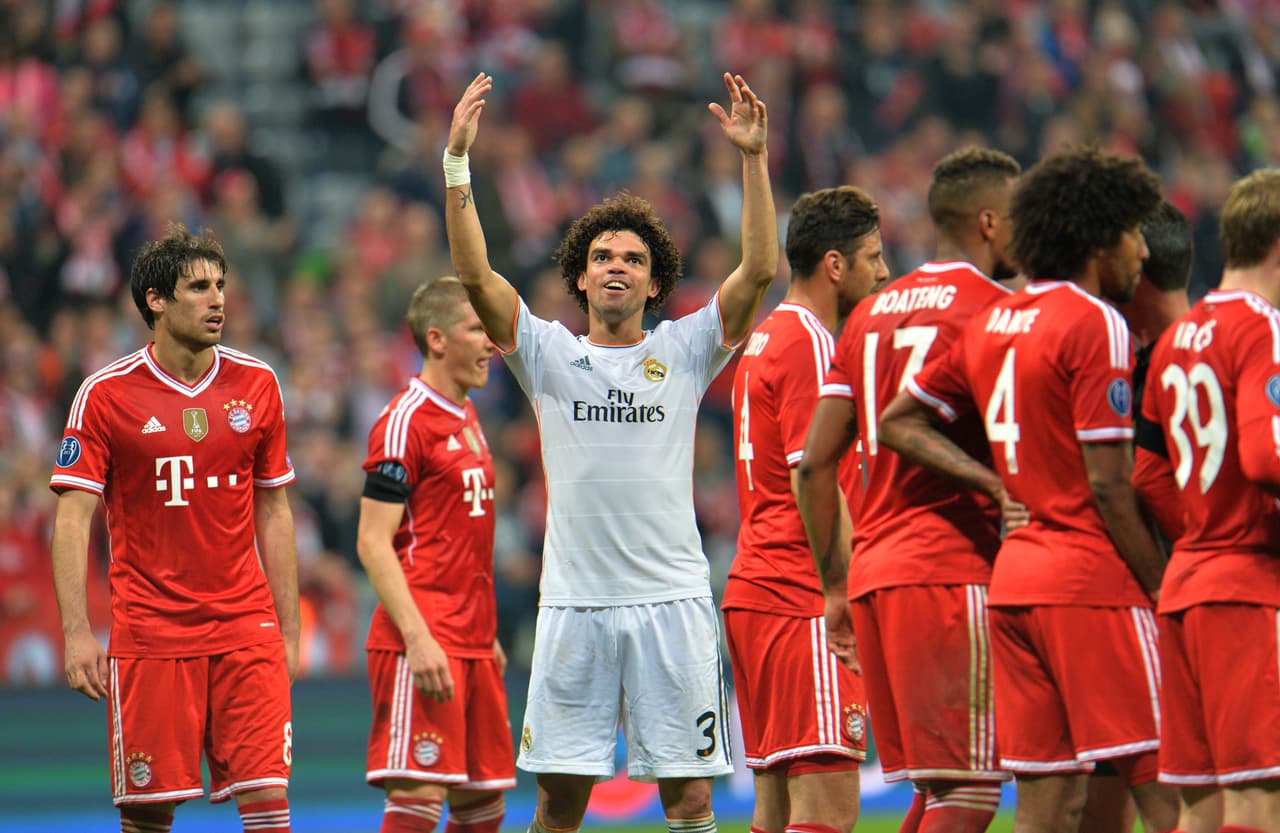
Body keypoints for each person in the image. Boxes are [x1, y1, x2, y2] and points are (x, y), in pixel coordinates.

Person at [443, 70, 778, 833]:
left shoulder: (687, 350)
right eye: (601, 256)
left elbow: (759, 270)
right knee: (559, 803)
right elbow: (473, 274)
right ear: (581, 276)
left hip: (674, 604)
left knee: (690, 801)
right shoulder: (548, 353)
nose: (616, 265)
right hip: (576, 605)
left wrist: (753, 160)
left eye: (631, 256)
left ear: (655, 278)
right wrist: (458, 165)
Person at [876, 146, 1178, 833]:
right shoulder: (1095, 321)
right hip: (1090, 583)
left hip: (1014, 585)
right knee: (1171, 793)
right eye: (1133, 232)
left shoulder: (992, 323)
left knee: (1045, 807)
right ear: (1098, 238)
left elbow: (898, 419)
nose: (1141, 250)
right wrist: (1161, 587)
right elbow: (1108, 485)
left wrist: (990, 481)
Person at [796, 147, 1022, 833]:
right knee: (972, 790)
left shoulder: (869, 313)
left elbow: (812, 464)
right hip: (952, 568)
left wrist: (834, 585)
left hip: (872, 577)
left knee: (936, 788)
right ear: (989, 222)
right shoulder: (997, 310)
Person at [49, 224, 299, 833]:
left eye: (221, 285)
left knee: (269, 802)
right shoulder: (103, 395)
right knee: (149, 815)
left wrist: (288, 628)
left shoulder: (258, 383)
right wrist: (78, 632)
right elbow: (72, 518)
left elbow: (275, 509)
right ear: (156, 301)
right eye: (197, 287)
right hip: (152, 631)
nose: (217, 299)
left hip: (246, 626)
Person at [723, 185, 886, 833]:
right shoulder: (811, 345)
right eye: (874, 257)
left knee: (776, 811)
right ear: (835, 265)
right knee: (828, 811)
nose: (885, 271)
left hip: (757, 590)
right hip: (802, 596)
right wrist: (841, 589)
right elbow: (812, 478)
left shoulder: (764, 339)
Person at [1133, 167, 1280, 833]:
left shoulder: (1175, 341)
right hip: (1246, 585)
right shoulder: (1262, 331)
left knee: (1202, 804)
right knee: (1259, 798)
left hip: (1187, 590)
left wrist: (1200, 528)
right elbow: (1265, 456)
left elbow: (1148, 473)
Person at [355, 277, 514, 833]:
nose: (491, 342)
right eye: (478, 329)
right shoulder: (404, 421)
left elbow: (458, 534)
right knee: (419, 796)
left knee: (483, 806)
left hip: (472, 638)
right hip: (423, 638)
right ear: (438, 339)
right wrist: (419, 638)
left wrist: (484, 633)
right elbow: (372, 541)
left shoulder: (466, 415)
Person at [1089, 200, 1200, 833]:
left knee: (1183, 799)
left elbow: (1149, 488)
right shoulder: (1208, 352)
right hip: (1151, 605)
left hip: (1167, 608)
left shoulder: (1156, 367)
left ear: (1141, 263)